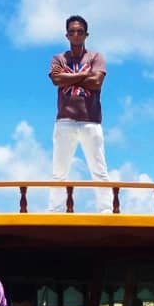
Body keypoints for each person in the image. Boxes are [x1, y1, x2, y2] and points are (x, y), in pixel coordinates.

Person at [50, 14, 109, 205]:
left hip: (90, 121)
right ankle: (55, 210)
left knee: (99, 170)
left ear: (86, 35)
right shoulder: (59, 58)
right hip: (65, 120)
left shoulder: (96, 57)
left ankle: (106, 209)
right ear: (67, 35)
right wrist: (85, 75)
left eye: (80, 32)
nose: (76, 35)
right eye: (72, 31)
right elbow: (56, 79)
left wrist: (70, 76)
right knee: (59, 171)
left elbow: (97, 81)